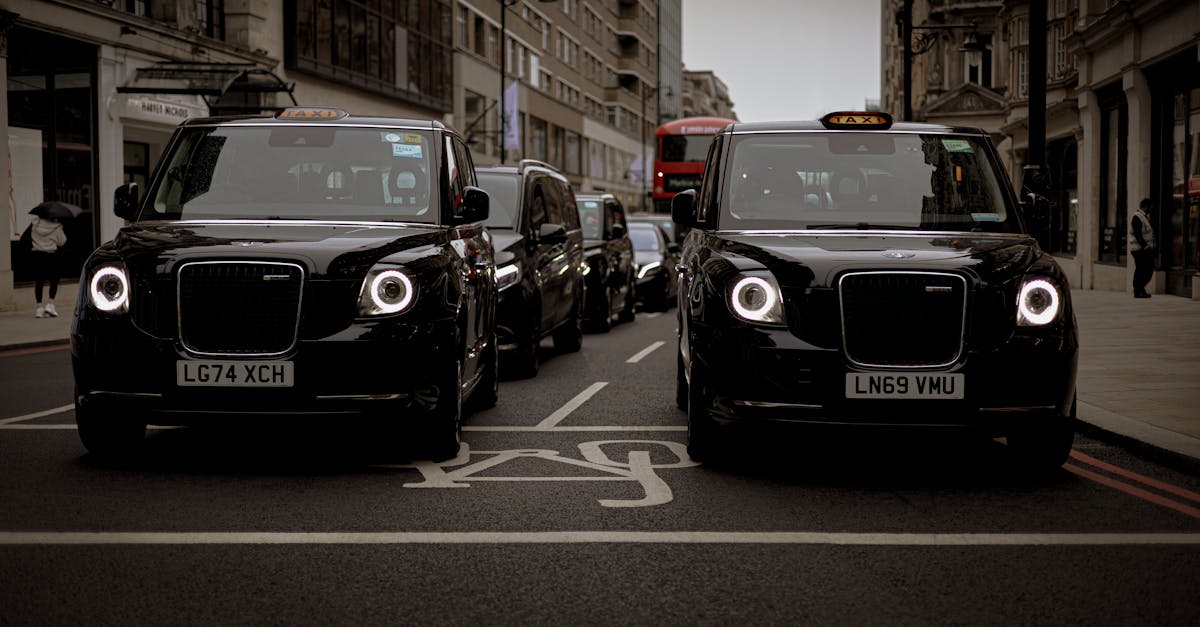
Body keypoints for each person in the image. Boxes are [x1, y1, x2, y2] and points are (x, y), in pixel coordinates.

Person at [29, 215, 67, 317]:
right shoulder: (56, 227)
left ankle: (39, 308)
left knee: (39, 281)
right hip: (51, 255)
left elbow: (29, 238)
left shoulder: (34, 225)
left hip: (37, 255)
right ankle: (50, 304)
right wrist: (61, 229)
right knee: (54, 280)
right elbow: (62, 242)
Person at [1128, 197, 1156, 299]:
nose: (1151, 209)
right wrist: (1145, 246)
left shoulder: (1143, 217)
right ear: (1145, 206)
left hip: (1143, 249)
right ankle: (1138, 290)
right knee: (1143, 270)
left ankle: (1140, 290)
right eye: (1150, 207)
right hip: (1139, 249)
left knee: (1145, 269)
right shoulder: (1137, 217)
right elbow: (1137, 234)